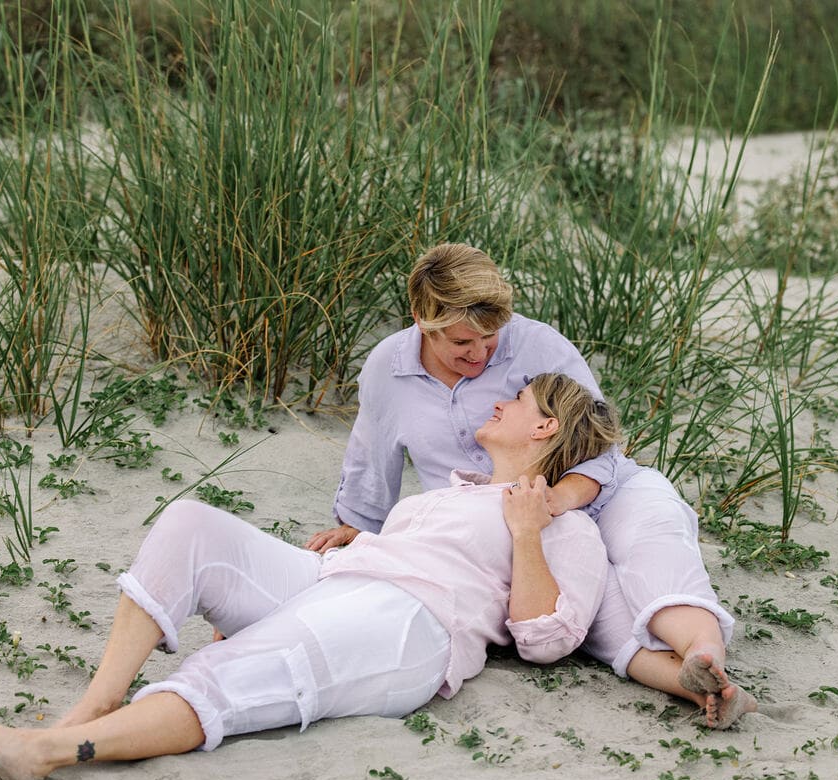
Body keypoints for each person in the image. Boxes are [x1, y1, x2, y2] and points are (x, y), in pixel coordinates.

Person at [0, 374, 616, 780]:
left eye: (518, 397)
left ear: (546, 425)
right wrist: (368, 538)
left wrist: (527, 535)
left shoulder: (567, 528)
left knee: (235, 666)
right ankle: (93, 707)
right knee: (191, 526)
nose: (500, 401)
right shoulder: (452, 492)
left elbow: (545, 637)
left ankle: (48, 749)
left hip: (409, 623)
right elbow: (427, 546)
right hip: (338, 576)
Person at [306, 243, 755, 728]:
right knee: (593, 626)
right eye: (461, 343)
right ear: (421, 318)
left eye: (490, 338)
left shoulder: (538, 345)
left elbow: (596, 435)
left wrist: (559, 499)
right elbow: (371, 452)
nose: (478, 353)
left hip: (602, 490)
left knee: (656, 544)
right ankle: (705, 689)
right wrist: (358, 523)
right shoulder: (387, 369)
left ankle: (706, 651)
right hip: (503, 523)